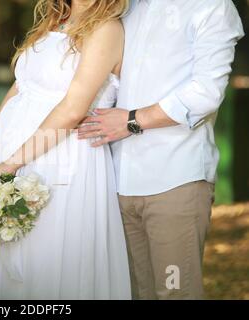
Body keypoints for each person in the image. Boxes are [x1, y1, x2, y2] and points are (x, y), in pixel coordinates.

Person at [78, 0, 245, 299]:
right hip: (115, 180)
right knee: (134, 293)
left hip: (175, 179)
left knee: (175, 292)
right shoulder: (125, 7)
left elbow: (205, 93)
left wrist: (132, 120)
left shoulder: (212, 6)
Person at [0, 0, 132, 299]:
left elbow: (73, 110)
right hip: (19, 160)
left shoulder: (106, 28)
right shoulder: (54, 21)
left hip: (63, 160)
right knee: (19, 261)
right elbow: (20, 88)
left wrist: (11, 163)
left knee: (51, 259)